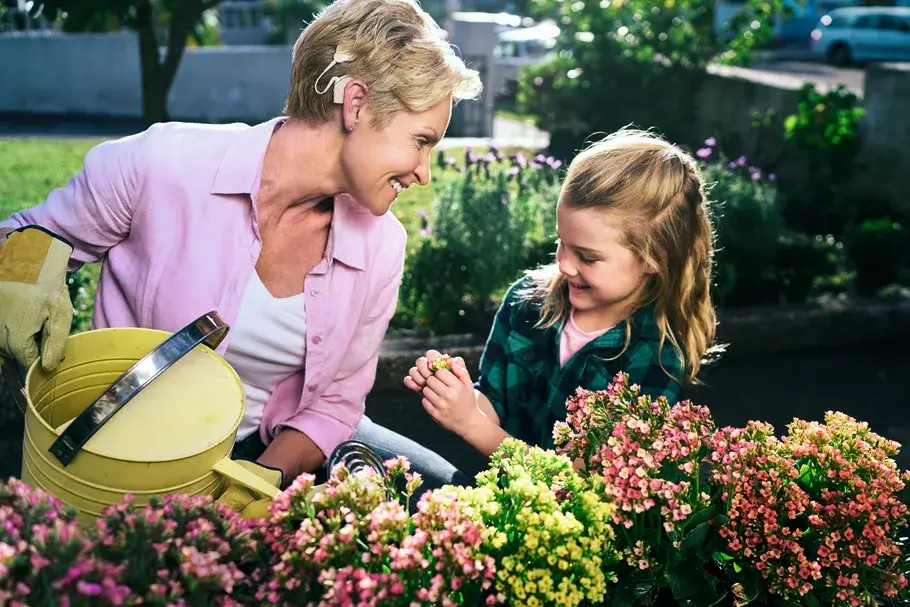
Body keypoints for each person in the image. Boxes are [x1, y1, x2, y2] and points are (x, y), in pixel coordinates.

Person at [0, 0, 481, 516]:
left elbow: (336, 401)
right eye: (421, 142)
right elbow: (30, 234)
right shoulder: (165, 166)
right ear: (357, 104)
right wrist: (24, 270)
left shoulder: (381, 244)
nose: (423, 173)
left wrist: (261, 479)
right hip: (134, 447)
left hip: (266, 451)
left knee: (444, 500)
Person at [396, 128, 722, 492]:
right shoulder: (526, 302)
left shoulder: (657, 356)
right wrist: (456, 398)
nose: (565, 265)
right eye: (560, 243)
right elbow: (493, 403)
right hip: (504, 502)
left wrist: (471, 424)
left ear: (654, 260)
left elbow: (575, 481)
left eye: (587, 257)